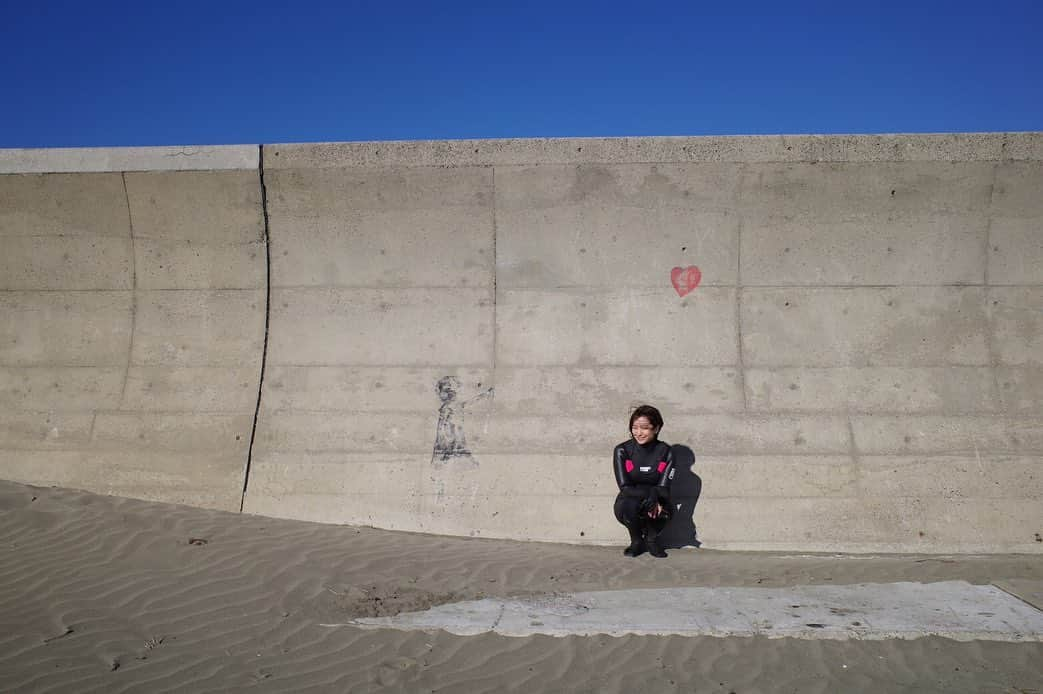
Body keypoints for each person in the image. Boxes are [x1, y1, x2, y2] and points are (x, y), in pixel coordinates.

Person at [613, 405, 675, 558]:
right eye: (635, 428)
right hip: (629, 499)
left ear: (656, 428)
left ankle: (651, 540)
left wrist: (656, 496)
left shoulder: (666, 451)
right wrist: (650, 493)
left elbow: (664, 487)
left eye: (645, 428)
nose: (638, 433)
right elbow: (625, 487)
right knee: (630, 505)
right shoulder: (622, 450)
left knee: (664, 509)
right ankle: (636, 542)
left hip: (658, 498)